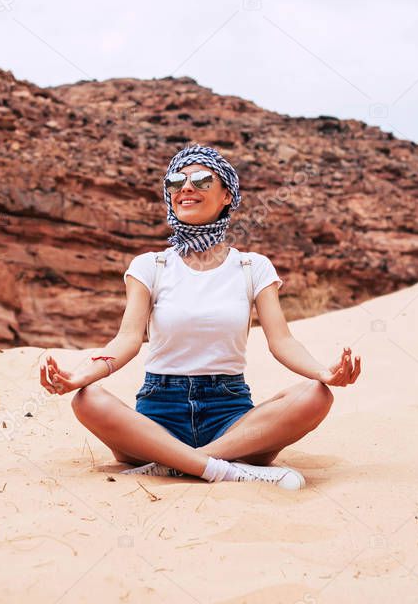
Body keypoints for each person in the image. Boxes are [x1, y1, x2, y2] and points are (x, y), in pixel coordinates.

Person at [39, 144, 361, 490]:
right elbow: (127, 340)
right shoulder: (150, 266)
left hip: (230, 414)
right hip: (159, 415)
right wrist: (80, 376)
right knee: (87, 399)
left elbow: (282, 341)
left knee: (317, 396)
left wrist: (324, 373)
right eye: (176, 181)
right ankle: (222, 468)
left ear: (227, 195)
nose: (186, 188)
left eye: (202, 180)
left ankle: (178, 464)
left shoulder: (253, 266)